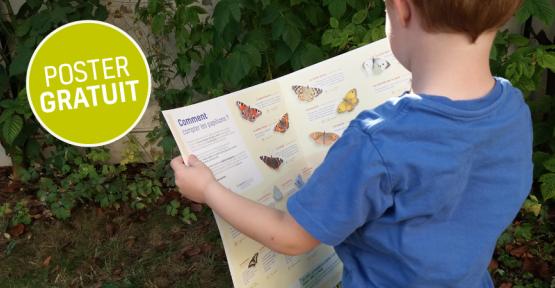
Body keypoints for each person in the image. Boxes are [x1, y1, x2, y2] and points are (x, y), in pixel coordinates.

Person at [170, 0, 533, 286]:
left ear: (402, 8)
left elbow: (290, 237)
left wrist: (208, 189)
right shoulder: (513, 109)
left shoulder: (378, 141)